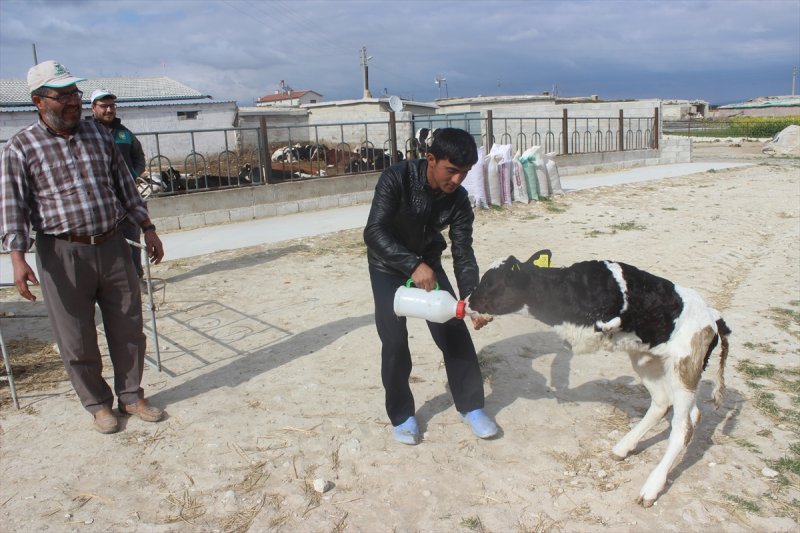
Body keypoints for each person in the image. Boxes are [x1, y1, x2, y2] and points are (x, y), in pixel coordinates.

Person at [0, 60, 165, 434]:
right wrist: (17, 258)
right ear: (39, 101)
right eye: (62, 96)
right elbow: (13, 206)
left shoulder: (99, 135)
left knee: (129, 327)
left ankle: (131, 395)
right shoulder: (21, 146)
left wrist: (148, 227)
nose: (73, 101)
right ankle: (98, 405)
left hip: (113, 245)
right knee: (76, 338)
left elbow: (124, 186)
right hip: (62, 254)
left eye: (75, 93)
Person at [363, 127, 497, 445]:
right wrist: (411, 264)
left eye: (464, 173)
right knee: (394, 342)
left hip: (429, 267)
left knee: (454, 331)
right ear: (431, 159)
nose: (457, 180)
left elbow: (463, 252)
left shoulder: (459, 201)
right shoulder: (396, 178)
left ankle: (472, 407)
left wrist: (472, 298)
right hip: (387, 266)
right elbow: (374, 231)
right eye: (451, 170)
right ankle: (402, 416)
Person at [88, 88, 147, 285]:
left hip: (126, 197)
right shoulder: (86, 133)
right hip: (99, 198)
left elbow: (139, 158)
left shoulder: (124, 133)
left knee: (132, 236)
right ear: (93, 108)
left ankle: (136, 278)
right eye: (104, 106)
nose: (109, 110)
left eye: (112, 106)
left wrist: (131, 175)